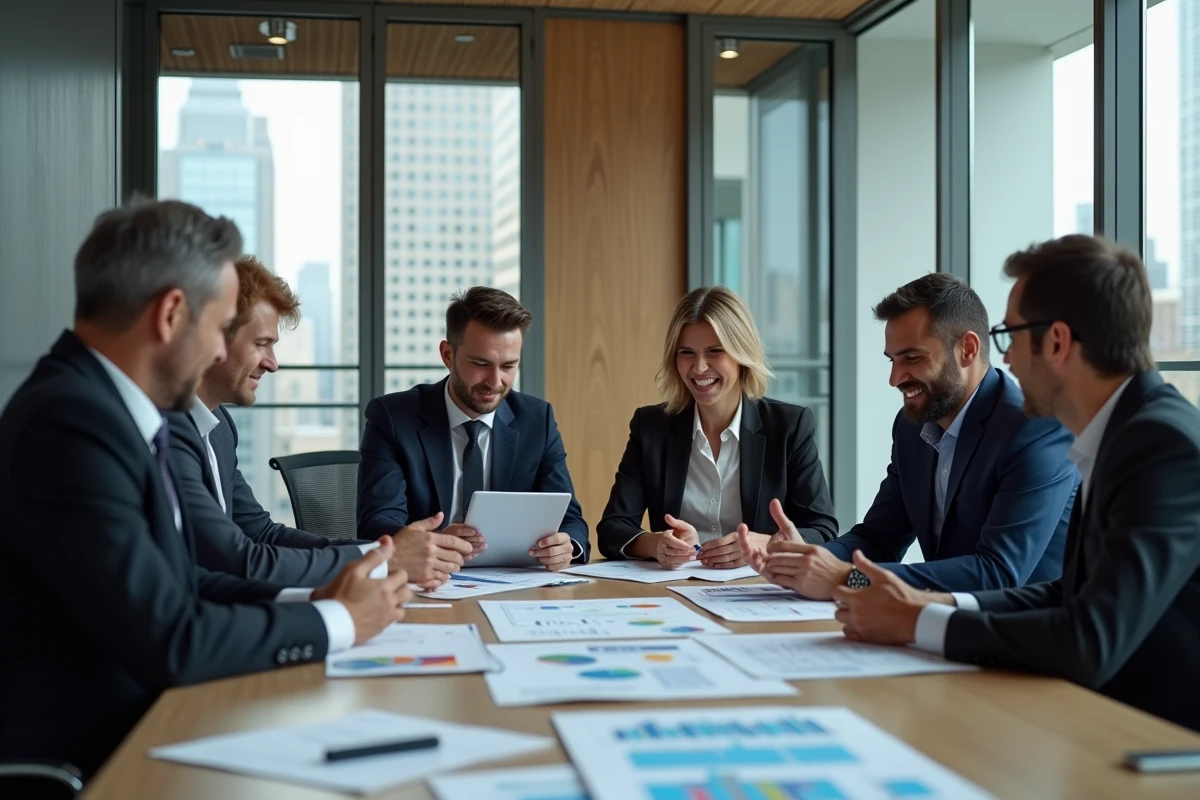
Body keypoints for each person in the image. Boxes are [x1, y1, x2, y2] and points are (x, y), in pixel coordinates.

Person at [0, 199, 412, 779]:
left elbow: (181, 582)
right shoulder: (71, 425)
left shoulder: (106, 410)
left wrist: (317, 602)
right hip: (101, 754)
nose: (221, 352)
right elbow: (171, 636)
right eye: (221, 329)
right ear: (171, 314)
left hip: (153, 717)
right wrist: (339, 623)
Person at [831, 235, 1200, 733]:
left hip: (1151, 737)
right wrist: (924, 607)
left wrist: (917, 621)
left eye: (1011, 336)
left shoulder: (1157, 444)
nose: (1007, 360)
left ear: (1057, 342)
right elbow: (1068, 593)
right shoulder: (1125, 430)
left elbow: (1088, 637)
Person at [744, 274, 1077, 597]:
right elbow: (879, 538)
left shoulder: (1036, 430)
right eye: (892, 360)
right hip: (939, 627)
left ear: (968, 349)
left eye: (912, 358)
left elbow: (998, 573)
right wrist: (808, 559)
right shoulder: (911, 428)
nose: (894, 378)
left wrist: (848, 578)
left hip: (1019, 639)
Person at [167, 255, 465, 589]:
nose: (273, 364)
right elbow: (238, 560)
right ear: (214, 337)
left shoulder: (219, 426)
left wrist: (381, 553)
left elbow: (263, 533)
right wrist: (388, 560)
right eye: (261, 344)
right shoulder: (167, 433)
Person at [597, 286, 838, 569]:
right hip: (675, 591)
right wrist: (658, 544)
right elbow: (613, 528)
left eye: (715, 352)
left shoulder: (789, 426)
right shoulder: (651, 427)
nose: (699, 367)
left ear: (741, 355)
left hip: (759, 589)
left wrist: (764, 543)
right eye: (687, 353)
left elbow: (823, 530)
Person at [357, 286, 589, 571]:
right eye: (480, 364)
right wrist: (436, 541)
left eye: (508, 366)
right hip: (426, 581)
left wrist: (566, 546)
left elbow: (571, 521)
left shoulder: (536, 419)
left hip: (514, 585)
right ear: (447, 355)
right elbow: (375, 523)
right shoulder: (393, 418)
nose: (495, 381)